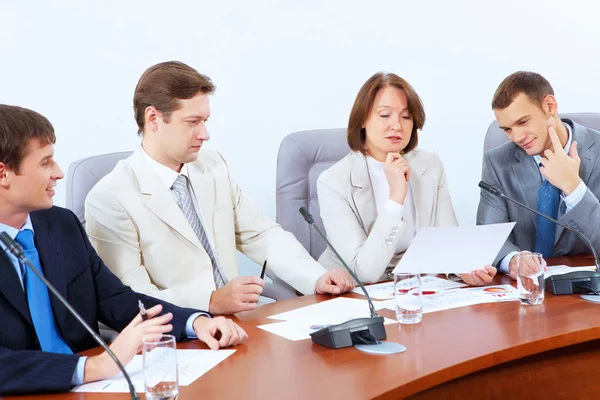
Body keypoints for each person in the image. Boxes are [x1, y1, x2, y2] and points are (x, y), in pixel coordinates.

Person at [0, 105, 246, 395]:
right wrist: (96, 367)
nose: (59, 173)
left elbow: (115, 299)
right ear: (3, 173)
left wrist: (195, 322)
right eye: (45, 163)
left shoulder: (60, 223)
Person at [85, 61, 354, 315]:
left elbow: (260, 235)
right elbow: (130, 297)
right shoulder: (110, 197)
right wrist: (209, 301)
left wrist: (316, 276)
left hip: (239, 324)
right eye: (192, 122)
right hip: (178, 336)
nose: (204, 134)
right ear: (154, 118)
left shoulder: (214, 166)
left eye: (205, 121)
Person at [317, 72, 496, 285]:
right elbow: (364, 272)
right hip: (355, 292)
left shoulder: (430, 166)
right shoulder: (333, 181)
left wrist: (465, 269)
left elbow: (448, 239)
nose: (397, 126)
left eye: (406, 116)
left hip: (417, 284)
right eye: (385, 115)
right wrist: (396, 198)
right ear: (363, 119)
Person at [477, 71, 600, 279]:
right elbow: (488, 235)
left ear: (549, 106)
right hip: (526, 292)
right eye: (507, 129)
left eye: (523, 122)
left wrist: (573, 187)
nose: (517, 137)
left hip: (586, 289)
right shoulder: (497, 162)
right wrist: (513, 259)